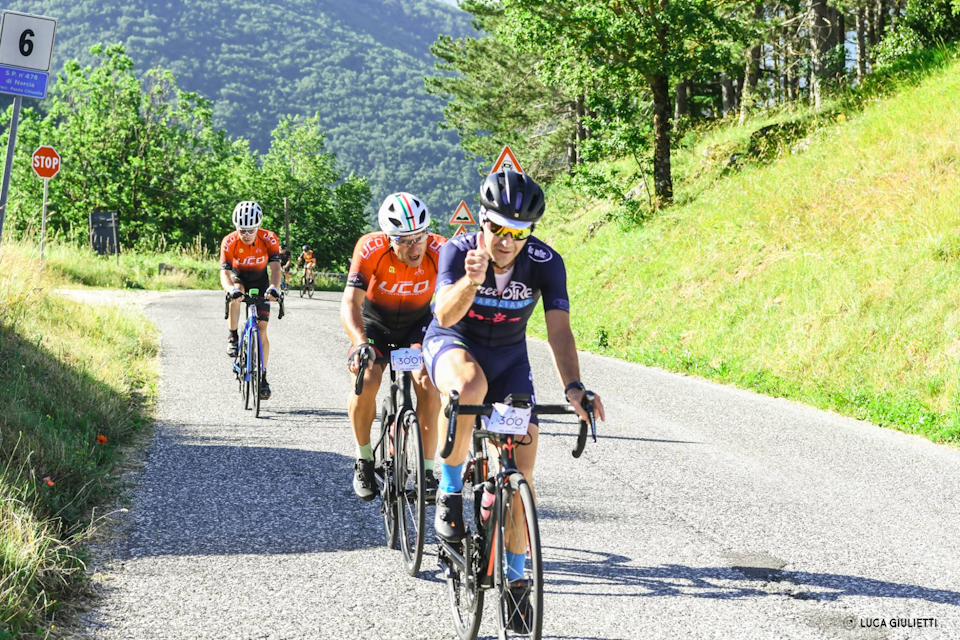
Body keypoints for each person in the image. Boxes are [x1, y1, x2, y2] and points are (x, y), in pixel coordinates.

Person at [422, 170, 606, 629]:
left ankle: (517, 581)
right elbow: (443, 312)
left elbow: (558, 330)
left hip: (508, 359)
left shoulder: (545, 262)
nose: (506, 242)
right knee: (469, 389)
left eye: (518, 233)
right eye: (498, 229)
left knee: (520, 474)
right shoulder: (458, 251)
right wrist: (470, 282)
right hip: (452, 344)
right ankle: (448, 492)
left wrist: (574, 387)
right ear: (482, 220)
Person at [341, 192, 447, 501]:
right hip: (374, 325)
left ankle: (427, 470)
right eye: (404, 240)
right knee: (367, 380)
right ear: (389, 238)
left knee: (427, 382)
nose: (415, 247)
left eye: (419, 237)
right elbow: (350, 301)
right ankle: (363, 459)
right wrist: (360, 342)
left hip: (416, 326)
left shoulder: (440, 250)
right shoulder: (370, 248)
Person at [220, 201, 282, 400]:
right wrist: (229, 289)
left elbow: (275, 269)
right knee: (236, 293)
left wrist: (274, 288)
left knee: (262, 329)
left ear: (258, 227)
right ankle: (233, 336)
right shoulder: (229, 241)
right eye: (242, 230)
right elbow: (225, 273)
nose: (246, 234)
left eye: (250, 230)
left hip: (261, 280)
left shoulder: (269, 238)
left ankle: (262, 377)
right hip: (238, 278)